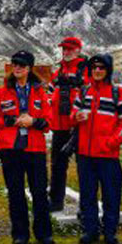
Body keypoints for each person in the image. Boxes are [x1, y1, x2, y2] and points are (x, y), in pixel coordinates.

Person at [0, 50, 54, 244]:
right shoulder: (2, 92)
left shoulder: (40, 91)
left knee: (40, 192)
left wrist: (33, 121)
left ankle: (44, 234)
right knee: (15, 192)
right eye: (15, 64)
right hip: (11, 149)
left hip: (35, 149)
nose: (17, 67)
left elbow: (49, 121)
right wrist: (11, 120)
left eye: (22, 65)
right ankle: (20, 235)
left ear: (29, 68)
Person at [71, 53, 122, 244]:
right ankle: (90, 230)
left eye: (101, 68)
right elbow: (73, 114)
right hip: (85, 155)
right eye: (94, 68)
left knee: (111, 195)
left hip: (108, 154)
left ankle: (109, 231)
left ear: (108, 71)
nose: (97, 71)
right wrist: (76, 116)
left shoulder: (118, 93)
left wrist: (113, 141)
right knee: (87, 194)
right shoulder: (83, 92)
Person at [48, 37, 89, 211]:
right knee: (57, 165)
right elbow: (50, 94)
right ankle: (56, 201)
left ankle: (86, 206)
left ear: (78, 50)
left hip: (79, 127)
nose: (66, 51)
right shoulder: (58, 72)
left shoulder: (86, 71)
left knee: (84, 167)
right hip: (59, 126)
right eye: (64, 49)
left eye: (70, 49)